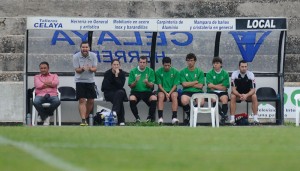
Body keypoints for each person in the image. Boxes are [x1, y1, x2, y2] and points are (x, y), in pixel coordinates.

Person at [73, 41, 98, 126]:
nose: (85, 49)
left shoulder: (93, 56)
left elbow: (95, 68)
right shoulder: (76, 56)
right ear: (80, 48)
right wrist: (83, 69)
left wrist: (90, 69)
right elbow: (77, 70)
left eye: (86, 47)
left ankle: (85, 118)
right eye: (83, 47)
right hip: (80, 81)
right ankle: (83, 119)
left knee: (91, 100)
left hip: (90, 81)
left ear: (89, 48)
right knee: (82, 100)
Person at [230, 60, 260, 125]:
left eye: (245, 66)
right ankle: (232, 119)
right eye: (242, 66)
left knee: (254, 96)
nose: (244, 68)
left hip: (248, 95)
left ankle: (255, 119)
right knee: (232, 96)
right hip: (238, 95)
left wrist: (246, 95)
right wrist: (239, 95)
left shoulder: (251, 74)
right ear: (239, 67)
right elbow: (233, 89)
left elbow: (253, 90)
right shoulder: (234, 74)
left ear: (247, 67)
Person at [128, 56, 157, 122]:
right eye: (140, 62)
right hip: (135, 91)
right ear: (138, 62)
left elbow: (151, 86)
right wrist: (135, 81)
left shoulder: (150, 71)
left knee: (154, 98)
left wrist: (147, 82)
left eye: (144, 62)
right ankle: (137, 118)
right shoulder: (133, 71)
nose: (142, 64)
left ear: (146, 63)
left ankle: (149, 118)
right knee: (132, 98)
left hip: (147, 92)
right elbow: (131, 86)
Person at [180, 53, 205, 125]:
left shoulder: (200, 72)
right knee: (184, 100)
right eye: (188, 60)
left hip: (198, 92)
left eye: (191, 60)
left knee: (201, 103)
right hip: (187, 91)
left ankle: (191, 116)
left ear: (195, 61)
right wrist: (195, 82)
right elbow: (184, 84)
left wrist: (189, 84)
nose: (189, 62)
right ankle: (191, 116)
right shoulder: (183, 72)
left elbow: (200, 86)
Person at [101, 59, 128, 126]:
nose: (116, 66)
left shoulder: (122, 74)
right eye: (114, 64)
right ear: (111, 65)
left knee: (120, 93)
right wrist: (115, 86)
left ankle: (114, 113)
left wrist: (116, 76)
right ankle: (121, 120)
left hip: (118, 93)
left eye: (117, 65)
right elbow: (104, 87)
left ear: (119, 66)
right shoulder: (107, 73)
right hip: (109, 93)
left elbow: (120, 85)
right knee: (119, 99)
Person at [33, 61, 60, 126]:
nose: (43, 70)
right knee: (36, 102)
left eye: (45, 68)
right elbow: (38, 85)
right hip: (40, 95)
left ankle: (43, 116)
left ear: (48, 68)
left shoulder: (54, 75)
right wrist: (50, 84)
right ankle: (46, 117)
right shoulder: (37, 77)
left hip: (52, 95)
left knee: (57, 102)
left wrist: (44, 83)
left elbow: (55, 83)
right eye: (41, 68)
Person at [155, 57, 180, 125]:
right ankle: (160, 118)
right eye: (165, 65)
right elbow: (159, 85)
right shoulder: (158, 72)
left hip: (172, 91)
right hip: (162, 91)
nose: (167, 67)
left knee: (174, 95)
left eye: (168, 65)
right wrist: (166, 93)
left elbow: (175, 85)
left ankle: (174, 118)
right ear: (162, 65)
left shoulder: (176, 72)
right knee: (160, 96)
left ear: (170, 64)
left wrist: (169, 93)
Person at [206, 57, 230, 125]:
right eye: (214, 63)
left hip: (222, 92)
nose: (215, 65)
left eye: (217, 63)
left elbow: (225, 88)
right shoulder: (209, 73)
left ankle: (223, 119)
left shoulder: (225, 73)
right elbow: (209, 86)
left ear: (221, 64)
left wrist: (214, 85)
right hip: (211, 92)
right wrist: (220, 85)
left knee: (225, 99)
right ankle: (223, 115)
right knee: (214, 99)